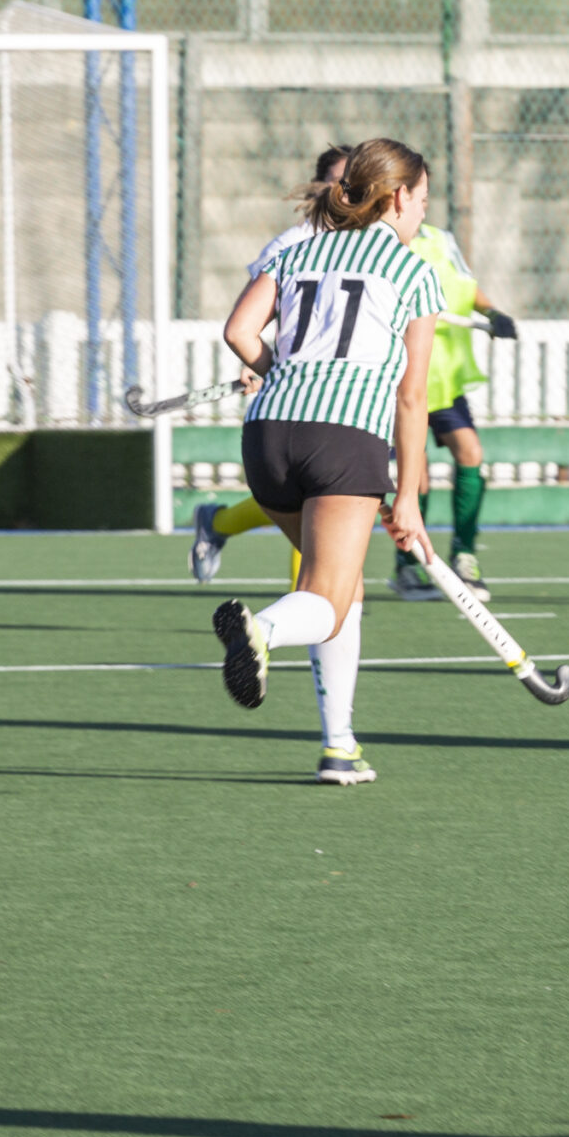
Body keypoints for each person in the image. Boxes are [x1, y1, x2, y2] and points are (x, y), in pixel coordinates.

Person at [210, 138, 447, 786]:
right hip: (343, 438)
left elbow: (238, 333)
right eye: (422, 200)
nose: (423, 213)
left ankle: (339, 746)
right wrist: (407, 497)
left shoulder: (296, 252)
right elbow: (412, 396)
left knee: (340, 589)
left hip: (267, 436)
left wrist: (282, 372)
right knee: (325, 598)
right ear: (397, 198)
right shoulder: (413, 272)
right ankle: (261, 630)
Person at [189, 145, 353, 591]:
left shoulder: (371, 244)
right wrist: (260, 363)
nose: (348, 192)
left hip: (348, 394)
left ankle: (218, 524)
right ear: (319, 187)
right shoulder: (290, 244)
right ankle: (312, 609)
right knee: (314, 500)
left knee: (326, 504)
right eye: (339, 182)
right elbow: (247, 321)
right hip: (298, 393)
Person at [387, 219, 517, 604]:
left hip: (444, 379)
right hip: (404, 378)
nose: (422, 206)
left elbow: (465, 285)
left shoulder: (440, 239)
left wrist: (492, 313)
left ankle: (464, 555)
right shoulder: (381, 238)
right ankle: (407, 566)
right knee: (416, 474)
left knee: (470, 452)